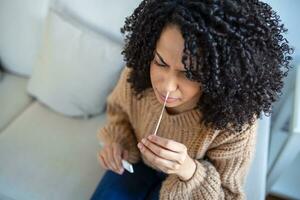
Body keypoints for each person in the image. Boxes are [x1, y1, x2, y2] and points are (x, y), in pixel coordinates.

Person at [91, 0, 293, 199]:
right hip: (135, 166)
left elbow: (228, 195)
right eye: (160, 62)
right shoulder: (135, 77)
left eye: (189, 74)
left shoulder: (234, 123)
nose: (166, 86)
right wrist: (117, 142)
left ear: (220, 75)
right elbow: (118, 114)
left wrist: (188, 170)